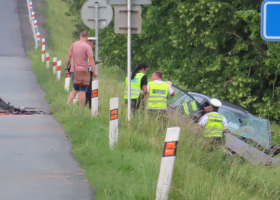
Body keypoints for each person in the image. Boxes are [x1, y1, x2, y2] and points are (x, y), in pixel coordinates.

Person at [66, 30, 98, 107]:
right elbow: (91, 59)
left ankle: (67, 105)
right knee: (82, 91)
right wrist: (94, 72)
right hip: (83, 71)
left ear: (80, 36)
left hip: (74, 71)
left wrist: (67, 68)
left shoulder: (73, 45)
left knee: (75, 89)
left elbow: (68, 57)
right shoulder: (87, 46)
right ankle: (81, 109)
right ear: (87, 37)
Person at [85, 41, 95, 109]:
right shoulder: (86, 51)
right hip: (86, 73)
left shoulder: (89, 51)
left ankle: (90, 106)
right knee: (88, 91)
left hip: (88, 72)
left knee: (90, 90)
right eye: (93, 45)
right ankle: (86, 105)